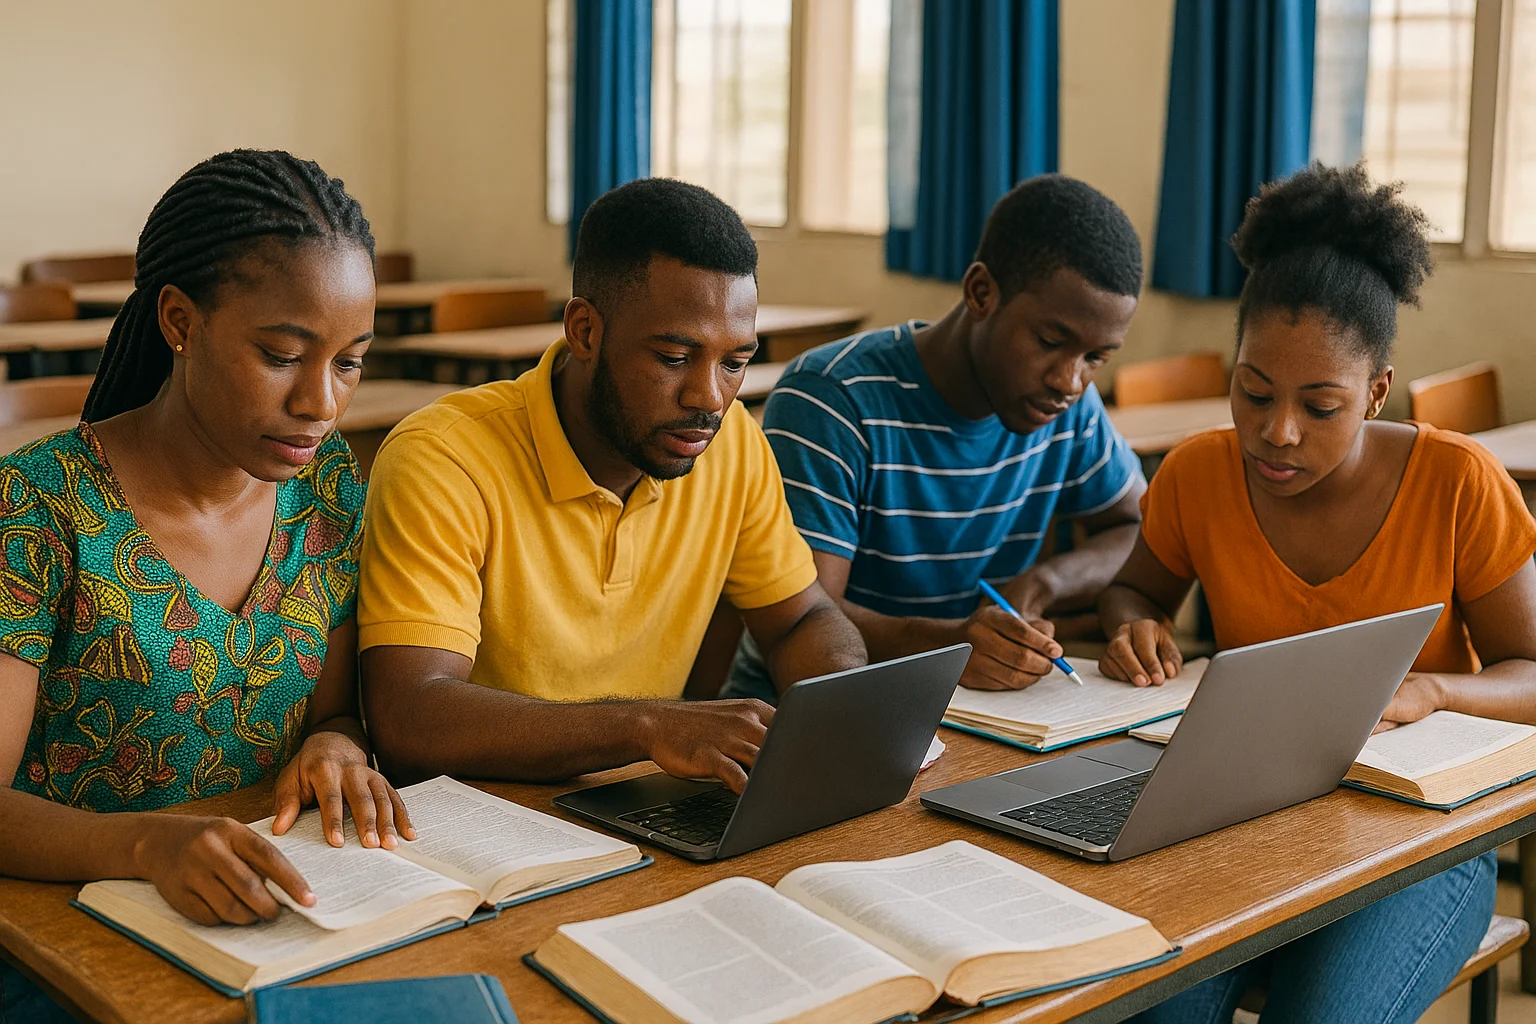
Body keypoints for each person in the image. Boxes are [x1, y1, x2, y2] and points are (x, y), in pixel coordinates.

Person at [1100, 163, 1536, 1024]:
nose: (1277, 432)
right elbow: (1131, 592)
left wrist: (1434, 690)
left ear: (1376, 390)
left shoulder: (1458, 482)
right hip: (1243, 819)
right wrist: (1135, 627)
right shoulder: (1197, 473)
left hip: (1421, 839)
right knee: (1150, 1011)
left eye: (1321, 406)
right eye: (1253, 392)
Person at [0, 150, 413, 1021]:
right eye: (281, 355)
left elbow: (332, 711)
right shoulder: (41, 509)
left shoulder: (327, 489)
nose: (321, 403)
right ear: (181, 322)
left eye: (349, 362)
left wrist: (336, 748)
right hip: (63, 941)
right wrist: (149, 845)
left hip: (272, 924)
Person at [358, 178, 866, 793]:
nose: (709, 398)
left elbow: (801, 618)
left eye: (735, 362)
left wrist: (845, 712)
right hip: (484, 818)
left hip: (639, 805)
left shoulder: (730, 445)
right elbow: (411, 720)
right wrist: (648, 726)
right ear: (585, 331)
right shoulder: (444, 459)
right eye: (674, 357)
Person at [722, 174, 1147, 702]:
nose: (1071, 380)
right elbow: (805, 615)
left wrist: (1042, 585)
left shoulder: (1069, 407)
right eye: (1049, 341)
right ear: (981, 292)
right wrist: (952, 646)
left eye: (1096, 358)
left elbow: (1134, 526)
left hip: (981, 712)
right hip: (810, 713)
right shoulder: (834, 397)